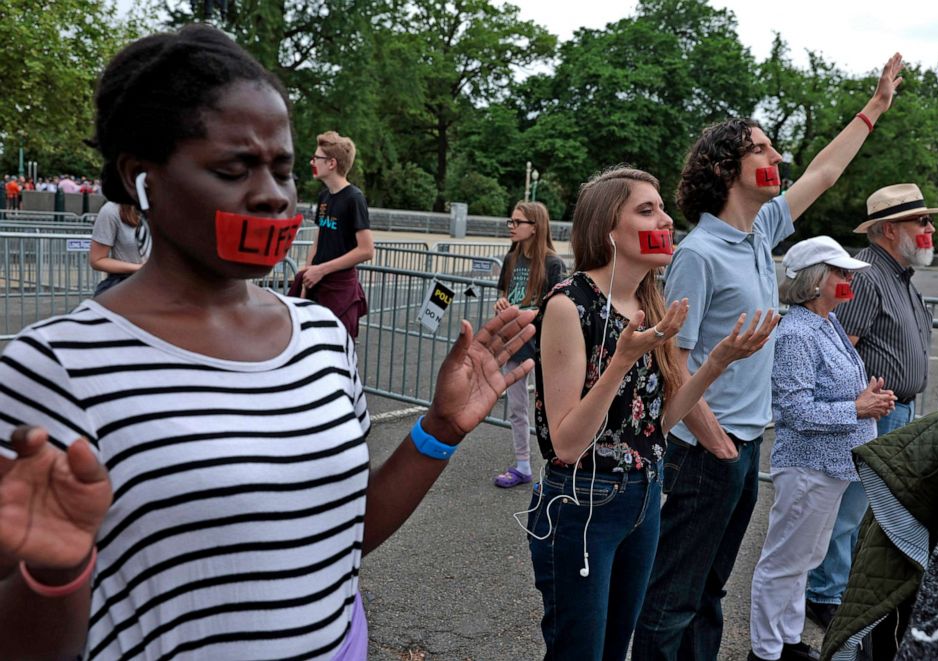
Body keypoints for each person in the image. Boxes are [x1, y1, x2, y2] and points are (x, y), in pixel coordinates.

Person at [0, 25, 537, 660]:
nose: (271, 195)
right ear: (140, 177)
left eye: (282, 169)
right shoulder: (51, 368)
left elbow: (337, 537)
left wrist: (439, 429)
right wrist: (53, 577)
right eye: (235, 168)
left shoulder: (319, 335)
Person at [633, 52, 905, 661]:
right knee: (673, 597)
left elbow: (825, 174)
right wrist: (715, 438)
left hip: (742, 444)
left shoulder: (758, 234)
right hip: (708, 449)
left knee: (708, 589)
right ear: (727, 167)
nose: (777, 158)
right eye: (762, 149)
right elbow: (670, 361)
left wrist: (876, 106)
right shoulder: (700, 253)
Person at [528, 167, 778, 660]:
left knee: (617, 646)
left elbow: (654, 427)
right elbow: (567, 443)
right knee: (580, 652)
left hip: (642, 499)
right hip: (583, 506)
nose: (665, 219)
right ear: (608, 229)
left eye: (662, 207)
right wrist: (620, 361)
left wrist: (717, 362)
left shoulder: (650, 301)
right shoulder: (568, 305)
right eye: (647, 210)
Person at [748, 236, 896, 661]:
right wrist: (858, 406)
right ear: (815, 281)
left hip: (829, 467)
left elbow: (824, 397)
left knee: (803, 560)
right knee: (784, 563)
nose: (850, 279)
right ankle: (766, 651)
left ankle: (786, 641)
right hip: (809, 466)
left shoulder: (826, 322)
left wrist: (863, 398)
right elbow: (795, 411)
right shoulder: (797, 332)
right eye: (841, 272)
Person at [804, 183, 938, 629]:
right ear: (887, 230)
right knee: (847, 509)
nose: (930, 228)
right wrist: (853, 408)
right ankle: (824, 594)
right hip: (870, 413)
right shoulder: (864, 274)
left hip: (890, 411)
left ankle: (837, 591)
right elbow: (839, 348)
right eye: (920, 220)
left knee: (865, 511)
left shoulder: (897, 274)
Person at [492, 201, 566, 488]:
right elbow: (504, 293)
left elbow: (559, 308)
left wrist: (531, 314)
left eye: (517, 222)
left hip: (544, 345)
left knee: (551, 410)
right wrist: (502, 304)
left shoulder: (552, 263)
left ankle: (557, 469)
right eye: (511, 221)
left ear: (534, 227)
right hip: (514, 342)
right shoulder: (511, 259)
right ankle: (523, 464)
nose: (512, 227)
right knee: (517, 407)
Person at [288, 130, 373, 338]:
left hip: (340, 289)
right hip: (318, 283)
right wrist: (308, 273)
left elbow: (366, 250)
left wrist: (322, 270)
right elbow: (319, 239)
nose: (312, 162)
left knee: (337, 349)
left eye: (317, 158)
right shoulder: (324, 197)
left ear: (332, 163)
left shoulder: (354, 198)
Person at [88, 201, 151, 295]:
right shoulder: (112, 210)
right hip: (128, 286)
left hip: (167, 286)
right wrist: (141, 268)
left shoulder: (171, 206)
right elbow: (97, 260)